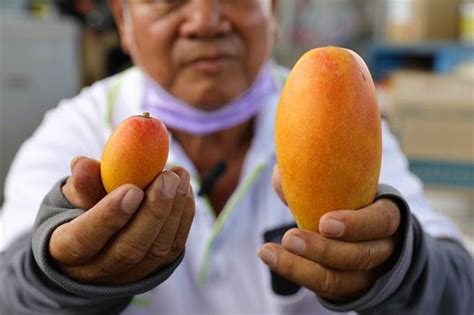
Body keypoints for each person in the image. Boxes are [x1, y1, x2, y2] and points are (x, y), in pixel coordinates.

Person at [0, 1, 472, 314]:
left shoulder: (337, 109)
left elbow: (460, 287)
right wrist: (58, 276)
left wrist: (397, 269)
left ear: (274, 14)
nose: (206, 20)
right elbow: (8, 290)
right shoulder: (78, 131)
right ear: (123, 21)